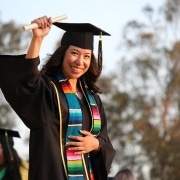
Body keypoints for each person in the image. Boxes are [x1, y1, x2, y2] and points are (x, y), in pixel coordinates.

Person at [0, 15, 115, 180]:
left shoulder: (93, 101)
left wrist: (96, 145)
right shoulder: (47, 90)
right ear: (62, 54)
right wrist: (37, 39)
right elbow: (27, 82)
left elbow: (105, 141)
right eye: (74, 53)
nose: (80, 61)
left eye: (87, 56)